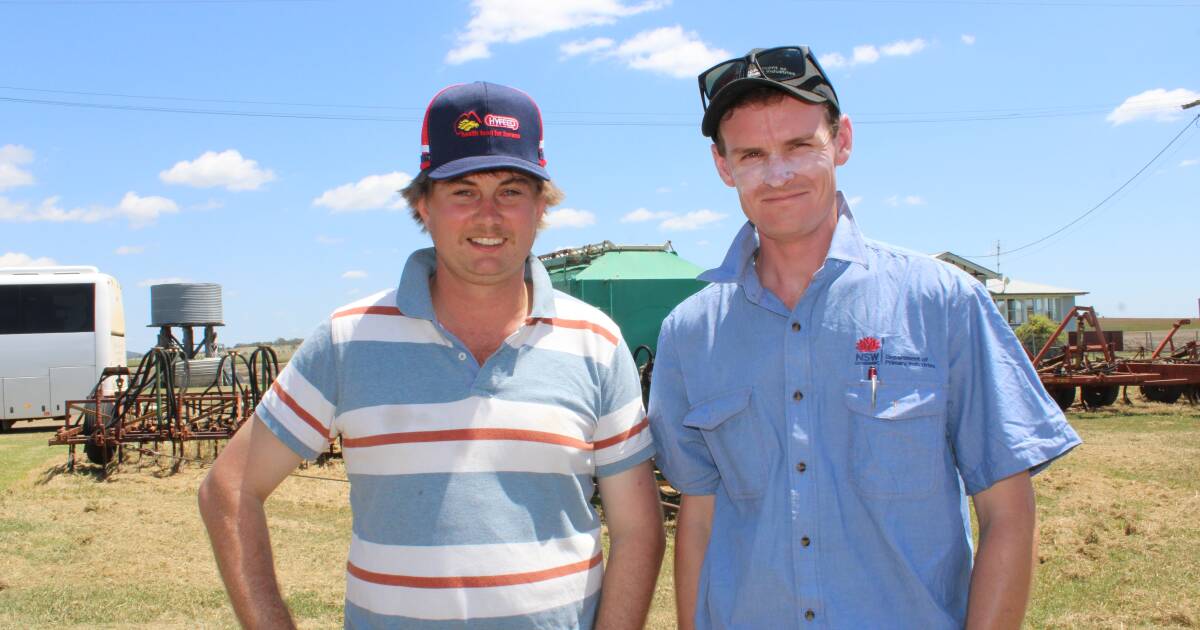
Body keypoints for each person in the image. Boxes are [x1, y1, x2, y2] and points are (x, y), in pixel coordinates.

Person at [199, 81, 664, 629]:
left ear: (542, 206)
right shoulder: (349, 339)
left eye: (512, 191)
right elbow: (229, 489)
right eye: (463, 192)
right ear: (423, 204)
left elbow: (638, 529)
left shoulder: (596, 343)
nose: (488, 216)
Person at [648, 46, 1081, 629]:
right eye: (752, 154)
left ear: (842, 141)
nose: (778, 174)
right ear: (724, 167)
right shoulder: (688, 335)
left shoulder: (943, 302)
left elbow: (1007, 513)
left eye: (800, 146)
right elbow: (698, 519)